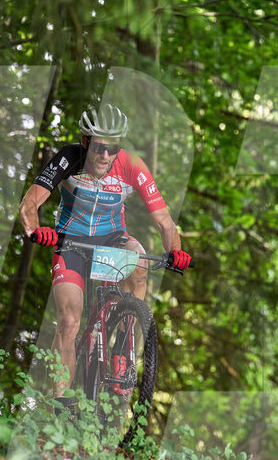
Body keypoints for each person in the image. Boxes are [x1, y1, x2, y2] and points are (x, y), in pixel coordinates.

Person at [18, 104, 191, 397]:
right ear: (86, 142)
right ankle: (59, 404)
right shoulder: (69, 159)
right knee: (69, 321)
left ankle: (122, 348)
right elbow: (29, 204)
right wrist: (37, 230)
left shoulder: (132, 165)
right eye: (98, 147)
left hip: (112, 239)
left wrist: (176, 250)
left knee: (139, 261)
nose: (105, 155)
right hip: (69, 243)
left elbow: (164, 221)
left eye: (112, 148)